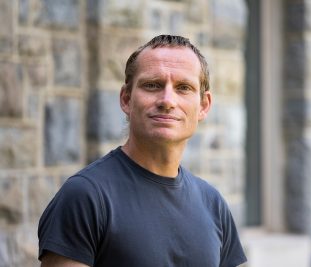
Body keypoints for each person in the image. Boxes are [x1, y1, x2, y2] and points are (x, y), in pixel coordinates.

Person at [38, 34, 247, 267]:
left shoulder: (213, 204)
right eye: (152, 85)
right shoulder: (85, 196)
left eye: (183, 87)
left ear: (204, 106)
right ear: (126, 99)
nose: (167, 100)